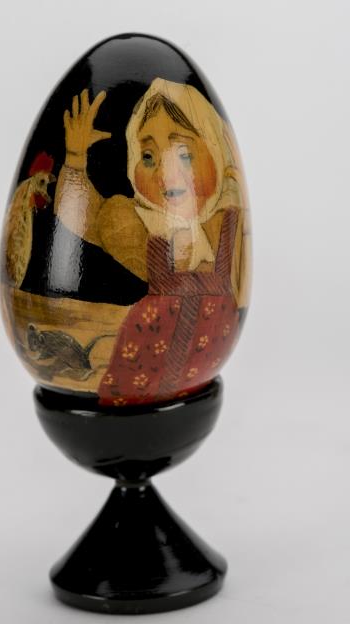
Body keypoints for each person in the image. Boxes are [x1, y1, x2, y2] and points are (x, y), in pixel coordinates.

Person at [54, 78, 250, 405]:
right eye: (147, 157)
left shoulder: (228, 223)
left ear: (217, 150)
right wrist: (75, 156)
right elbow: (84, 217)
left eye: (183, 154)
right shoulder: (139, 226)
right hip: (141, 364)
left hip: (198, 375)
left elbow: (241, 288)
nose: (165, 173)